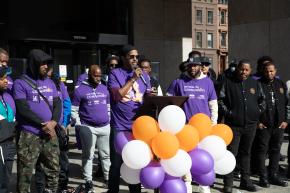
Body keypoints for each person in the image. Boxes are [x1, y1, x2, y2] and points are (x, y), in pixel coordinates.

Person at [167, 56, 218, 193]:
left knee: (203, 157)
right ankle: (187, 182)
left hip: (204, 128)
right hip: (184, 128)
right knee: (185, 157)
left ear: (200, 66)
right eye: (190, 66)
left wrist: (213, 123)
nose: (192, 68)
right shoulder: (179, 81)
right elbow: (168, 99)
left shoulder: (208, 82)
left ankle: (204, 185)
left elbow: (213, 104)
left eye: (195, 65)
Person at [13, 49, 62, 193]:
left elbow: (57, 103)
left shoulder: (50, 82)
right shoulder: (20, 83)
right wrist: (43, 124)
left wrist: (53, 122)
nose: (46, 66)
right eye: (43, 64)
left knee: (53, 170)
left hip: (49, 134)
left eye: (48, 63)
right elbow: (23, 109)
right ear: (34, 64)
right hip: (29, 134)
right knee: (25, 174)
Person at [107, 45, 151, 193]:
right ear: (123, 58)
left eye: (136, 57)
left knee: (135, 163)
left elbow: (147, 98)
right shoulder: (114, 74)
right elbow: (116, 96)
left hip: (138, 127)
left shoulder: (144, 76)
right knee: (116, 164)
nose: (135, 59)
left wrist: (152, 96)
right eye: (131, 56)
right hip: (119, 126)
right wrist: (132, 79)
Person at [218, 59, 265, 193]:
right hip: (233, 126)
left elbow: (262, 100)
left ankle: (246, 181)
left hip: (250, 125)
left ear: (250, 71)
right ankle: (228, 184)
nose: (243, 72)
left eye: (246, 70)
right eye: (241, 69)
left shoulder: (255, 83)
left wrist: (257, 112)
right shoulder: (228, 82)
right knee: (231, 154)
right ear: (237, 69)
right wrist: (229, 113)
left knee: (246, 153)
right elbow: (220, 100)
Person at [72, 64, 111, 193]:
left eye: (100, 75)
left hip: (105, 127)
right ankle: (88, 182)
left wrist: (109, 120)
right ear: (89, 75)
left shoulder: (105, 89)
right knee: (88, 155)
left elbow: (108, 107)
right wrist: (79, 125)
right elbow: (74, 110)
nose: (98, 78)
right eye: (96, 75)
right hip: (88, 127)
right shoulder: (79, 90)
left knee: (106, 155)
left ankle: (108, 179)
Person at [35, 65, 72, 193]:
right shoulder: (35, 82)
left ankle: (62, 186)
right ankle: (41, 187)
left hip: (59, 127)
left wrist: (64, 122)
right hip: (42, 128)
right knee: (42, 160)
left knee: (62, 159)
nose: (47, 72)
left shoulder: (59, 84)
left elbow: (66, 103)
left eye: (49, 69)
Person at [255, 62, 289, 188]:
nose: (269, 73)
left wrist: (286, 120)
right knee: (262, 152)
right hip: (264, 125)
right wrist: (258, 122)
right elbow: (254, 105)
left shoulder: (280, 84)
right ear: (263, 72)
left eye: (271, 71)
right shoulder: (258, 84)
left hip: (279, 125)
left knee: (276, 150)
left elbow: (287, 104)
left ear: (275, 71)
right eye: (267, 71)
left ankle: (273, 175)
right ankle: (263, 177)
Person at [0, 67, 16, 193]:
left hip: (9, 143)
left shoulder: (5, 96)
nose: (6, 81)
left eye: (6, 78)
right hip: (1, 144)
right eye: (2, 78)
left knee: (6, 178)